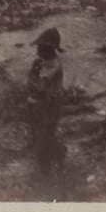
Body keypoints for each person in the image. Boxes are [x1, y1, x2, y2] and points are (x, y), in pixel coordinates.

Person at [24, 28, 67, 181]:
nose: (38, 50)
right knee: (39, 134)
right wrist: (33, 74)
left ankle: (53, 160)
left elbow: (39, 87)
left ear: (50, 49)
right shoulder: (42, 62)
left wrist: (34, 74)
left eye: (41, 48)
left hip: (49, 106)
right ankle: (47, 162)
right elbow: (31, 84)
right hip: (39, 105)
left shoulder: (54, 66)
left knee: (45, 134)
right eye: (38, 47)